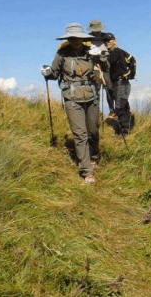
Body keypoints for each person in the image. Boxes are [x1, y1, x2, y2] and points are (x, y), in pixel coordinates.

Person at [41, 23, 107, 184]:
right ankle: (86, 170)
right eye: (72, 38)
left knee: (92, 129)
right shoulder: (62, 54)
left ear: (82, 38)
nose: (75, 40)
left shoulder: (91, 52)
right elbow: (55, 74)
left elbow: (105, 67)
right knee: (80, 134)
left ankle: (94, 156)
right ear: (68, 39)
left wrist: (101, 57)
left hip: (92, 96)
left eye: (77, 37)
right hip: (71, 98)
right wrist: (47, 73)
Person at [105, 33, 132, 135]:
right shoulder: (117, 52)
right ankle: (125, 129)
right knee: (123, 106)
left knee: (120, 107)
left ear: (114, 40)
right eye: (106, 41)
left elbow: (109, 62)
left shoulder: (116, 52)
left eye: (109, 40)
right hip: (122, 82)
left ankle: (122, 131)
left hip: (120, 83)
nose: (107, 42)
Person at [87, 20, 114, 115]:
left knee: (109, 88)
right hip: (94, 68)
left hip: (105, 66)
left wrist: (105, 56)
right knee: (96, 89)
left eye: (97, 30)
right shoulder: (87, 39)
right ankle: (97, 112)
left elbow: (113, 49)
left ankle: (112, 111)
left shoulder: (106, 37)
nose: (96, 32)